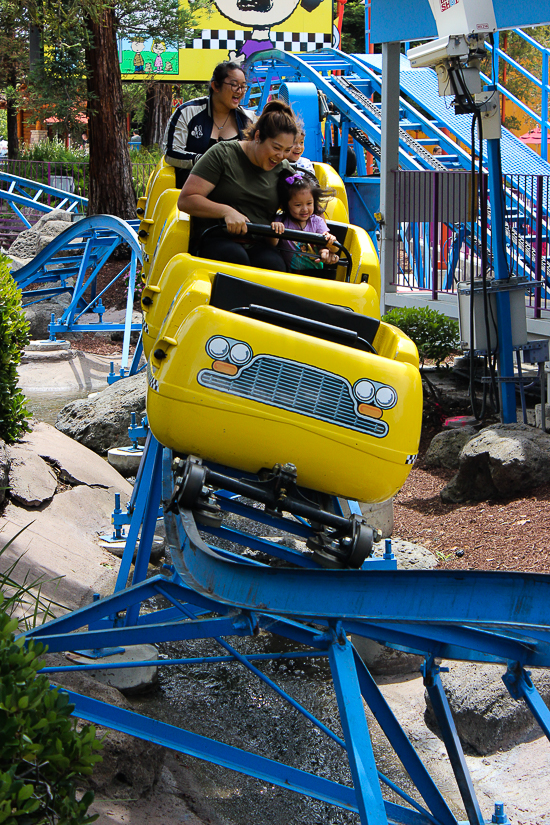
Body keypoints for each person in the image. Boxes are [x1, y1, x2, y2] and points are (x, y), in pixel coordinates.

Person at [178, 100, 298, 272]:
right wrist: (226, 211)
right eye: (276, 148)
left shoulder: (284, 170)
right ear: (258, 137)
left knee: (274, 266)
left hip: (259, 242)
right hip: (218, 237)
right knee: (234, 259)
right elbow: (186, 200)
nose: (280, 156)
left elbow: (306, 205)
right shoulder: (223, 154)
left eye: (287, 150)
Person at [162, 61, 255, 189]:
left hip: (235, 196)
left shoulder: (249, 119)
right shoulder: (187, 112)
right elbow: (171, 154)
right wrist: (209, 162)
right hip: (189, 194)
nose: (240, 91)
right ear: (216, 86)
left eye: (243, 86)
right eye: (234, 85)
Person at [271, 171, 339, 274]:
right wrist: (275, 229)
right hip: (291, 274)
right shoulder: (281, 221)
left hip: (316, 274)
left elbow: (334, 249)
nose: (305, 209)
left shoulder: (316, 222)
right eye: (298, 205)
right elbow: (272, 243)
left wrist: (329, 245)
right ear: (285, 205)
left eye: (309, 203)